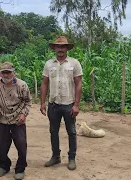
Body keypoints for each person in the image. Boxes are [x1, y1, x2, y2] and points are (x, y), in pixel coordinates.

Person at [40, 36, 83, 171]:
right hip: (53, 104)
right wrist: (42, 103)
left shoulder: (74, 63)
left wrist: (76, 104)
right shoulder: (49, 64)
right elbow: (44, 83)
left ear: (67, 48)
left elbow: (78, 84)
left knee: (71, 132)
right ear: (54, 48)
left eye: (63, 46)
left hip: (68, 104)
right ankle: (55, 156)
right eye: (58, 46)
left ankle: (71, 158)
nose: (60, 49)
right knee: (53, 131)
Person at [0, 62, 31, 180]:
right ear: (0, 73)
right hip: (1, 118)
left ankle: (20, 169)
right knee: (1, 144)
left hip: (18, 119)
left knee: (21, 144)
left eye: (8, 72)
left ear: (14, 73)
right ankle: (4, 166)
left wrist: (23, 114)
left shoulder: (22, 85)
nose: (6, 75)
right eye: (3, 72)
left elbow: (28, 101)